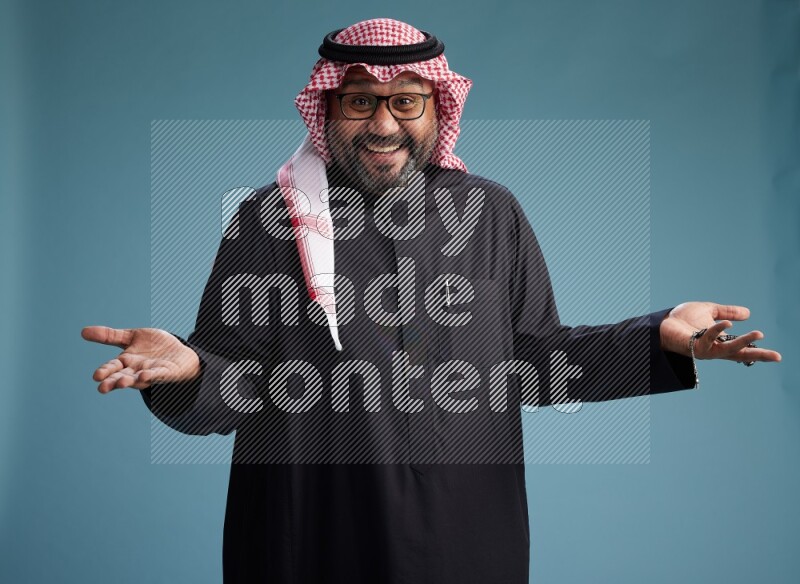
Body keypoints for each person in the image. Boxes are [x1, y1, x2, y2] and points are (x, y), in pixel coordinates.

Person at [81, 18, 781, 584]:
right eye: (360, 103)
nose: (383, 124)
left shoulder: (491, 213)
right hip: (312, 535)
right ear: (328, 108)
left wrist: (656, 336)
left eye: (404, 102)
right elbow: (236, 382)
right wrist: (192, 370)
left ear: (435, 108)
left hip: (463, 536)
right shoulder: (268, 222)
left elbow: (535, 358)